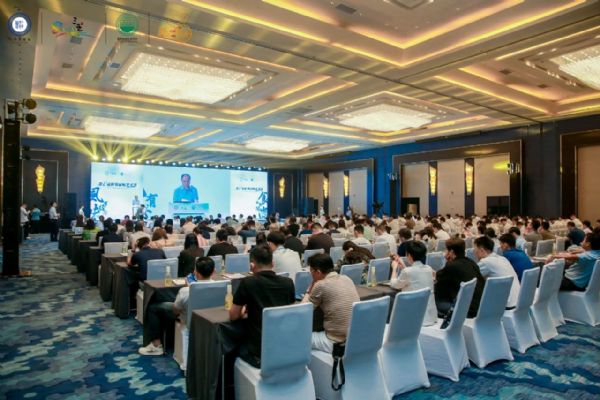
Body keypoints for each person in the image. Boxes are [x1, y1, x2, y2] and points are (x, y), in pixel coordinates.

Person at [230, 245, 295, 367]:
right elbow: (289, 312)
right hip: (283, 344)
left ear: (252, 265)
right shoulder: (288, 283)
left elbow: (233, 316)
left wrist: (243, 311)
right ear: (273, 263)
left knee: (231, 346)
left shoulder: (248, 283)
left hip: (258, 351)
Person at [139, 257, 216, 356]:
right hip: (210, 320)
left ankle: (156, 345)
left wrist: (187, 289)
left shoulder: (185, 291)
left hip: (188, 319)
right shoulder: (221, 286)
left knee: (153, 308)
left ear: (196, 273)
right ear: (214, 271)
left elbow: (176, 311)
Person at [302, 253, 359, 353]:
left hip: (336, 342)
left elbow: (303, 310)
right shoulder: (347, 278)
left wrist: (309, 290)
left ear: (318, 272)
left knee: (297, 337)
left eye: (311, 271)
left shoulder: (321, 285)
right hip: (354, 337)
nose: (311, 274)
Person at [390, 241, 438, 326]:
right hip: (430, 316)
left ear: (409, 255)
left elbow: (394, 284)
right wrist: (403, 266)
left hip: (414, 318)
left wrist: (394, 268)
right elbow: (414, 275)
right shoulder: (429, 269)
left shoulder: (407, 271)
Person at [435, 238, 485, 318]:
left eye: (446, 250)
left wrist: (447, 262)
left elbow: (439, 278)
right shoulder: (471, 263)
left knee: (433, 299)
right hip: (477, 306)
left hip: (464, 309)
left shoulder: (452, 266)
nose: (445, 253)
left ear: (451, 252)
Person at [474, 236, 520, 308]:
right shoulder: (503, 258)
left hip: (505, 306)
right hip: (518, 301)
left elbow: (471, 278)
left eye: (475, 250)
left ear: (482, 250)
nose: (474, 253)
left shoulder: (485, 262)